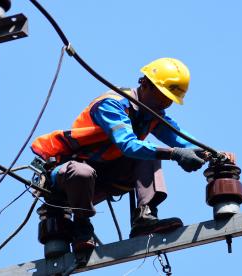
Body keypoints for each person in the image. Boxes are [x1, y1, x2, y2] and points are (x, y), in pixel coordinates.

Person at [31, 58, 209, 251]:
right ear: (145, 84)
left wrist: (213, 154)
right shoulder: (111, 104)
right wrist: (175, 154)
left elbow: (177, 136)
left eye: (169, 101)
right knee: (86, 171)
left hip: (106, 175)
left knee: (150, 153)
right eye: (162, 97)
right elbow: (128, 145)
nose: (164, 105)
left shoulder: (150, 112)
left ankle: (145, 217)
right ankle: (81, 225)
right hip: (69, 177)